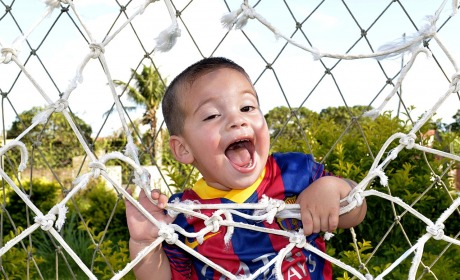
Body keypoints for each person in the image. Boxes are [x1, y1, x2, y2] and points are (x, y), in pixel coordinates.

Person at [125, 57, 367, 280]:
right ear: (183, 149)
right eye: (212, 115)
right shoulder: (184, 216)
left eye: (247, 107)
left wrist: (333, 188)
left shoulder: (294, 173)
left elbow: (355, 211)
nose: (237, 120)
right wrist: (144, 242)